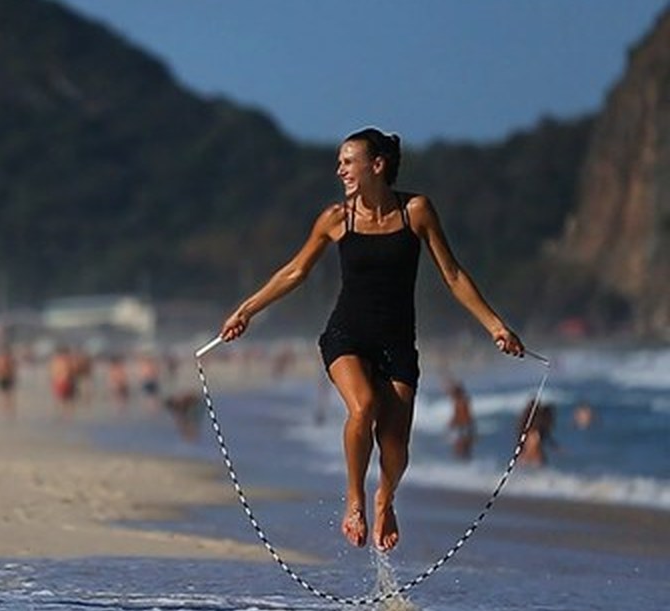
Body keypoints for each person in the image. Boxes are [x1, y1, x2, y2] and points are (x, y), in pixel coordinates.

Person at [219, 127, 525, 552]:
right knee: (362, 407)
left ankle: (385, 497)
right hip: (347, 333)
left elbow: (452, 275)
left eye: (348, 161)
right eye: (340, 162)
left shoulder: (414, 212)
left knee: (396, 449)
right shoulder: (336, 219)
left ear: (376, 165)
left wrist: (496, 326)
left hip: (397, 342)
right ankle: (355, 499)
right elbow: (294, 271)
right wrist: (246, 310)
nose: (340, 169)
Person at [446, 380, 475, 460]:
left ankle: (462, 457)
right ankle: (463, 457)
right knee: (463, 443)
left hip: (463, 425)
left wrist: (452, 423)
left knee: (461, 442)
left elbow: (460, 415)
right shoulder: (463, 400)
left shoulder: (461, 401)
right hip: (465, 425)